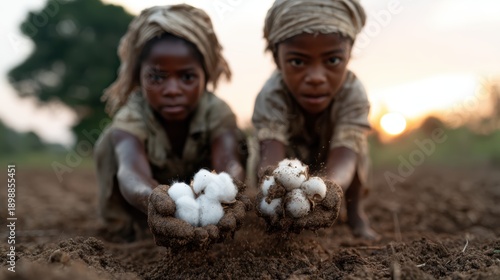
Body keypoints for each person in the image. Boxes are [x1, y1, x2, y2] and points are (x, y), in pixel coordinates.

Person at [94, 4, 246, 243]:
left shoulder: (216, 111)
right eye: (156, 77)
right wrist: (154, 200)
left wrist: (227, 190)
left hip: (200, 202)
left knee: (242, 141)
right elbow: (131, 172)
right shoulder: (133, 114)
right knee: (111, 139)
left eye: (187, 77)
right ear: (138, 76)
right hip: (144, 211)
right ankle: (129, 228)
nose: (172, 90)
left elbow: (228, 161)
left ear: (205, 75)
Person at [252, 0, 379, 239]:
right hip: (289, 162)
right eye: (298, 62)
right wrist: (275, 188)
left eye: (332, 61)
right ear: (277, 60)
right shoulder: (271, 95)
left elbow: (346, 155)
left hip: (334, 158)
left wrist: (325, 190)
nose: (316, 77)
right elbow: (269, 156)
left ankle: (355, 214)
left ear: (349, 56)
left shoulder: (352, 93)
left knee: (358, 148)